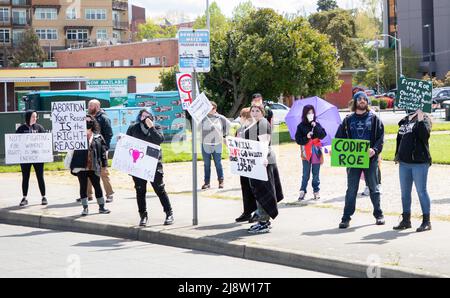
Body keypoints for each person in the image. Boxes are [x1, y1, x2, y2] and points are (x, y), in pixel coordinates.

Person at [335, 91, 385, 229]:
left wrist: (374, 150)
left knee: (374, 188)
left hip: (370, 159)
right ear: (355, 102)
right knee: (351, 190)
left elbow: (381, 137)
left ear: (367, 102)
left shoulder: (374, 119)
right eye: (359, 99)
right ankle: (346, 218)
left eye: (364, 99)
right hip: (353, 160)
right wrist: (337, 150)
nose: (362, 101)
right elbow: (339, 138)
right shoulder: (347, 120)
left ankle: (379, 214)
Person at [126, 109, 174, 227]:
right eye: (143, 115)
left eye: (148, 115)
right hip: (138, 165)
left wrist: (151, 128)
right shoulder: (133, 128)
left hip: (153, 165)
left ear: (152, 117)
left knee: (160, 189)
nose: (145, 117)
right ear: (139, 117)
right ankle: (143, 216)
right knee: (140, 191)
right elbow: (127, 143)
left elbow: (159, 140)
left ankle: (169, 213)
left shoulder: (156, 127)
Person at [245, 105, 284, 234]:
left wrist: (264, 157)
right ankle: (263, 220)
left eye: (257, 111)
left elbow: (264, 143)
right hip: (257, 160)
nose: (255, 113)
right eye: (253, 111)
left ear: (262, 112)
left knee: (262, 191)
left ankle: (263, 222)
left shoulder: (262, 123)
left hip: (263, 161)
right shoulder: (255, 123)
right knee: (259, 190)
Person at [393, 109, 432, 232]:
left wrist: (420, 118)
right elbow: (399, 138)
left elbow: (424, 136)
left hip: (419, 162)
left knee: (421, 191)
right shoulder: (405, 120)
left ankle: (426, 221)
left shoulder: (425, 119)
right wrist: (397, 154)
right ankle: (406, 220)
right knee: (405, 193)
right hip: (404, 163)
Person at [70, 115, 110, 216]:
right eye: (85, 121)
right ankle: (85, 208)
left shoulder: (98, 136)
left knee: (97, 186)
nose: (87, 123)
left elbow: (103, 152)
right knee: (83, 187)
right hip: (81, 165)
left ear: (93, 123)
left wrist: (104, 165)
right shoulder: (76, 136)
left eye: (89, 121)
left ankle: (101, 207)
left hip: (94, 166)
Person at [85, 99, 114, 203]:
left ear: (97, 107)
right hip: (88, 149)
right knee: (87, 171)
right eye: (88, 106)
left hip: (100, 149)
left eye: (90, 106)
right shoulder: (87, 117)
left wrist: (105, 148)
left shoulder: (104, 118)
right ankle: (88, 195)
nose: (88, 108)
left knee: (103, 172)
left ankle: (109, 194)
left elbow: (109, 134)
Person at [295, 105, 327, 201]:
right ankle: (302, 190)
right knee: (305, 173)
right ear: (305, 114)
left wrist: (315, 126)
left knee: (316, 173)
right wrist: (307, 137)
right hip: (306, 152)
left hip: (316, 151)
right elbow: (298, 140)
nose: (310, 114)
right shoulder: (300, 126)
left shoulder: (317, 124)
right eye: (308, 113)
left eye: (312, 113)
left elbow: (322, 135)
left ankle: (316, 191)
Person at [16, 110, 47, 207]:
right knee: (25, 177)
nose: (35, 118)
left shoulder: (39, 127)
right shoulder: (21, 128)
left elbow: (45, 141)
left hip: (38, 157)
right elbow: (15, 143)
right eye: (33, 116)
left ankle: (43, 196)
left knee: (40, 176)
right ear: (28, 117)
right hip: (25, 158)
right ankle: (24, 197)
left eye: (36, 117)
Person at [200, 101, 231, 190]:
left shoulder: (220, 118)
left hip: (217, 144)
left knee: (218, 163)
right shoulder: (202, 117)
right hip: (205, 144)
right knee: (206, 164)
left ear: (215, 109)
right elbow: (197, 127)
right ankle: (207, 183)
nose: (211, 110)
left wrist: (224, 134)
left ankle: (221, 181)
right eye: (209, 108)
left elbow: (228, 125)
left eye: (212, 108)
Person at [235, 108, 258, 223]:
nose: (240, 118)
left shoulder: (254, 129)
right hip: (242, 162)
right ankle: (247, 211)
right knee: (245, 187)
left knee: (253, 188)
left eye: (241, 116)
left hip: (251, 163)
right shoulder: (240, 129)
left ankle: (256, 211)